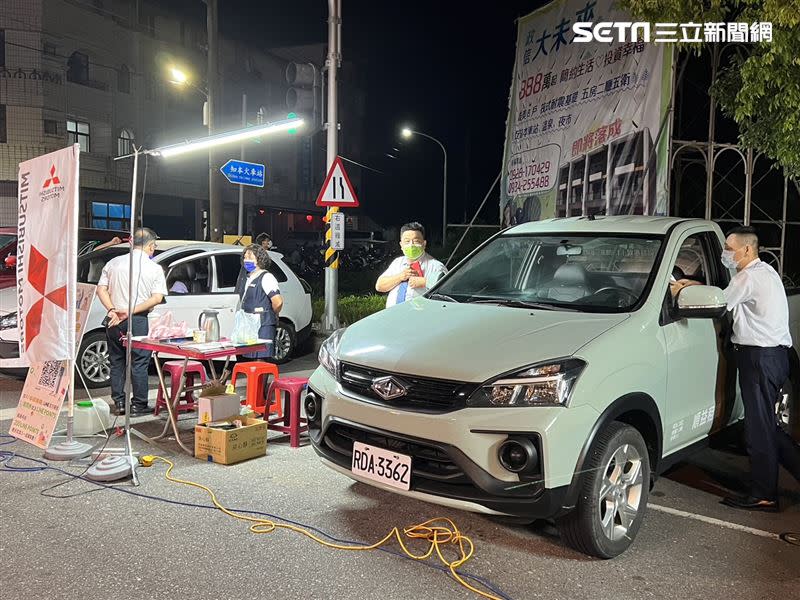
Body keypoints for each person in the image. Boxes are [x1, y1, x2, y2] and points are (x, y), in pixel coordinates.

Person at [673, 227, 800, 511]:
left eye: (729, 248)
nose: (725, 254)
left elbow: (719, 302)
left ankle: (764, 493)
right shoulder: (765, 273)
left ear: (746, 250)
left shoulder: (748, 278)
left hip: (758, 358)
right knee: (767, 425)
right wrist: (693, 283)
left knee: (758, 430)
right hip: (774, 356)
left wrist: (683, 288)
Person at [96, 228, 167, 416]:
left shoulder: (114, 263)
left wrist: (112, 310)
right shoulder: (154, 268)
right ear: (151, 246)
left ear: (131, 243)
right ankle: (138, 405)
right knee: (140, 363)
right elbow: (157, 298)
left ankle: (119, 403)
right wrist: (128, 312)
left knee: (116, 361)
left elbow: (101, 290)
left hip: (113, 319)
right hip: (137, 320)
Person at [375, 222, 447, 308]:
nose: (411, 245)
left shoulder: (435, 266)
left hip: (419, 317)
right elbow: (379, 286)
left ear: (424, 244)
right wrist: (400, 277)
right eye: (407, 241)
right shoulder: (398, 262)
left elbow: (448, 289)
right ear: (401, 245)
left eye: (416, 241)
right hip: (393, 315)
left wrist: (425, 282)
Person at [239, 244, 283, 359]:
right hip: (249, 324)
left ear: (259, 259)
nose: (246, 260)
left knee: (261, 359)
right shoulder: (247, 278)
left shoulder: (266, 277)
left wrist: (271, 314)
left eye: (250, 257)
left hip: (263, 324)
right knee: (251, 359)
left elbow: (278, 302)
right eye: (245, 257)